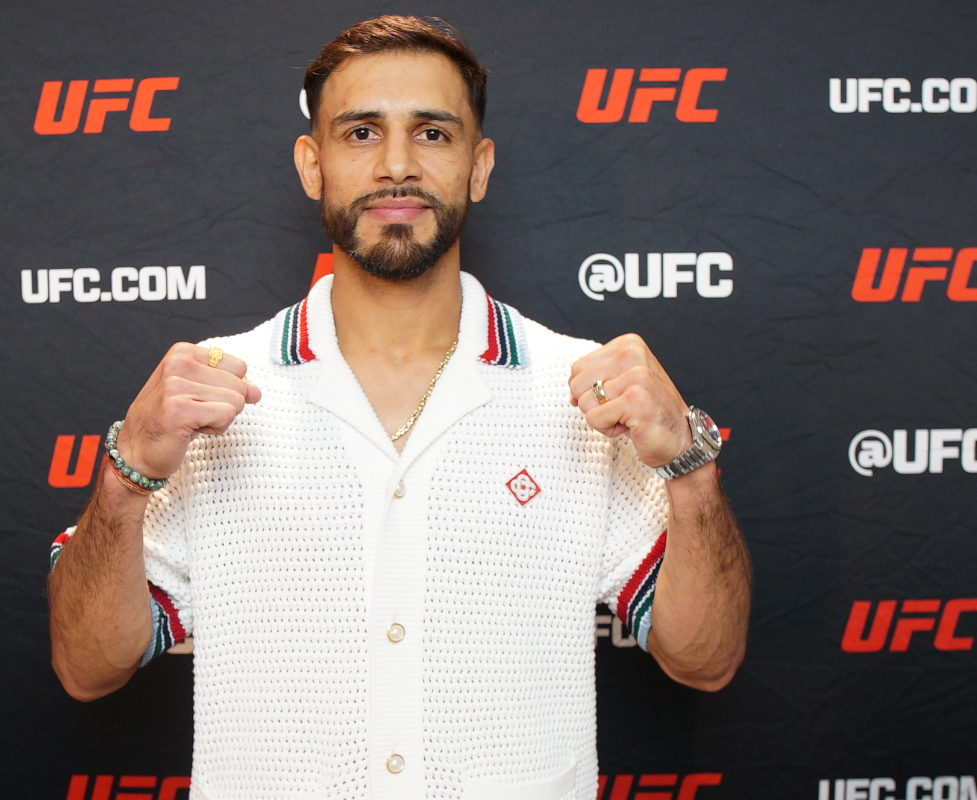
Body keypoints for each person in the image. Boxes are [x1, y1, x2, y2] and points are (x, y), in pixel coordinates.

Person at [48, 15, 750, 800]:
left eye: (433, 134)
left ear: (479, 167)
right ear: (311, 165)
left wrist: (689, 468)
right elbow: (86, 667)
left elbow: (706, 658)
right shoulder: (213, 393)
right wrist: (125, 477)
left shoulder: (578, 388)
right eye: (359, 133)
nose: (395, 166)